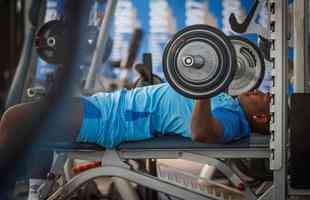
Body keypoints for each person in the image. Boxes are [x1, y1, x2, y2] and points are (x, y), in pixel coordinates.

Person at [0, 83, 271, 200]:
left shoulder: (233, 119)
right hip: (111, 107)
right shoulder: (230, 102)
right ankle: (38, 190)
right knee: (33, 118)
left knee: (14, 119)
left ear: (259, 117)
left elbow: (202, 132)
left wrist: (204, 87)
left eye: (267, 99)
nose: (264, 91)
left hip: (112, 119)